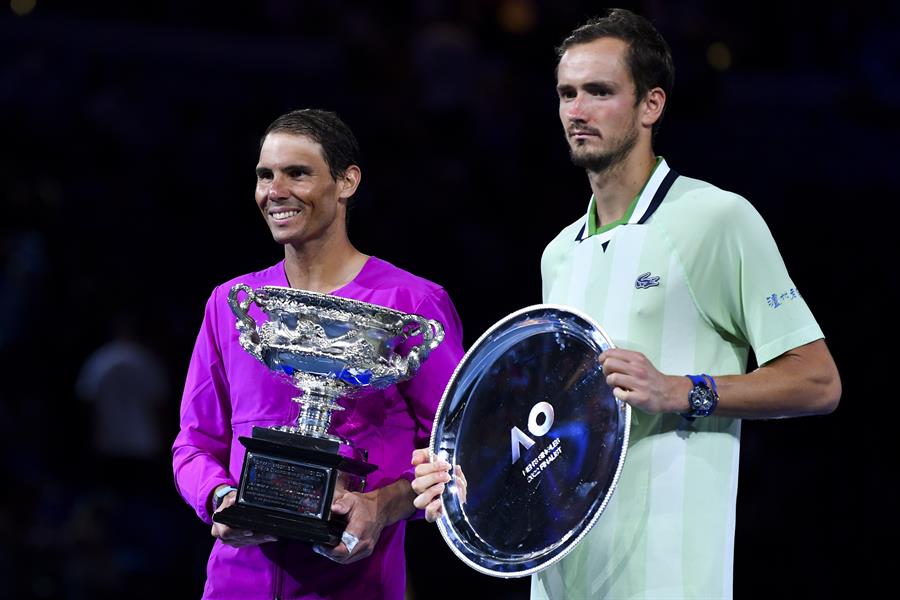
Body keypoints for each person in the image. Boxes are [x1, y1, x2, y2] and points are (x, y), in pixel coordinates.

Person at [411, 9, 841, 599]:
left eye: (599, 92)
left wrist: (682, 390)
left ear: (651, 105)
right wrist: (469, 480)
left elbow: (819, 382)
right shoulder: (558, 254)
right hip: (558, 580)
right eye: (567, 93)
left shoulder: (716, 219)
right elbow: (551, 425)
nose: (577, 111)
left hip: (670, 582)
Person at [172, 108, 464, 599]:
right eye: (265, 175)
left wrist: (381, 505)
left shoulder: (412, 306)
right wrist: (221, 498)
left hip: (357, 583)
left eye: (297, 173)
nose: (275, 191)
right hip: (234, 584)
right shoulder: (234, 305)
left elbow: (455, 449)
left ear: (347, 182)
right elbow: (194, 442)